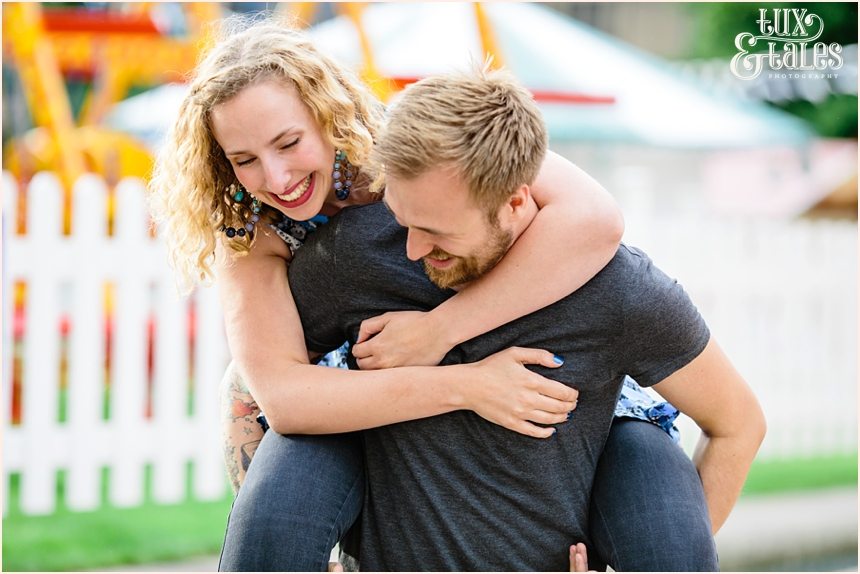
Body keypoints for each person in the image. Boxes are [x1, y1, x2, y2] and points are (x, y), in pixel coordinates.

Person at [144, 17, 732, 572]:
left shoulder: (408, 146)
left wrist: (441, 330)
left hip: (503, 357)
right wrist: (466, 386)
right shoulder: (251, 232)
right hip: (369, 380)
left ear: (326, 113)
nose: (275, 178)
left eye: (289, 142)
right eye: (244, 159)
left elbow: (594, 216)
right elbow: (287, 397)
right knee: (245, 397)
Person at [274, 66, 767, 571]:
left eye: (435, 231)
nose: (411, 246)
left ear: (515, 200)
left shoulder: (618, 290)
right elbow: (268, 388)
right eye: (402, 219)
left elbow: (738, 424)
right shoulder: (355, 254)